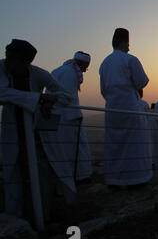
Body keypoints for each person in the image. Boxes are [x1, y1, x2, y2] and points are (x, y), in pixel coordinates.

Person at [0, 39, 75, 223]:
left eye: (14, 61)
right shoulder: (1, 68)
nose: (9, 63)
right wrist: (38, 99)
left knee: (41, 173)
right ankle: (16, 220)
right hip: (12, 129)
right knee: (12, 174)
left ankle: (43, 215)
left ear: (27, 63)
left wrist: (50, 101)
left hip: (38, 134)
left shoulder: (39, 74)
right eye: (8, 58)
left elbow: (66, 96)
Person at [99, 28, 152, 187]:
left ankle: (115, 179)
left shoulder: (104, 63)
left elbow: (103, 90)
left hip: (112, 110)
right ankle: (136, 179)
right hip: (130, 109)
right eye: (128, 43)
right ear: (124, 42)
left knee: (115, 145)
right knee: (135, 145)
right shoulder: (130, 60)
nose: (129, 47)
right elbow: (142, 82)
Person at [51, 51, 93, 184]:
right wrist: (77, 115)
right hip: (67, 117)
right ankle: (79, 175)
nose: (86, 70)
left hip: (56, 115)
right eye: (86, 66)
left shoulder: (60, 70)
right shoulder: (70, 73)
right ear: (80, 63)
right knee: (74, 147)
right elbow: (69, 98)